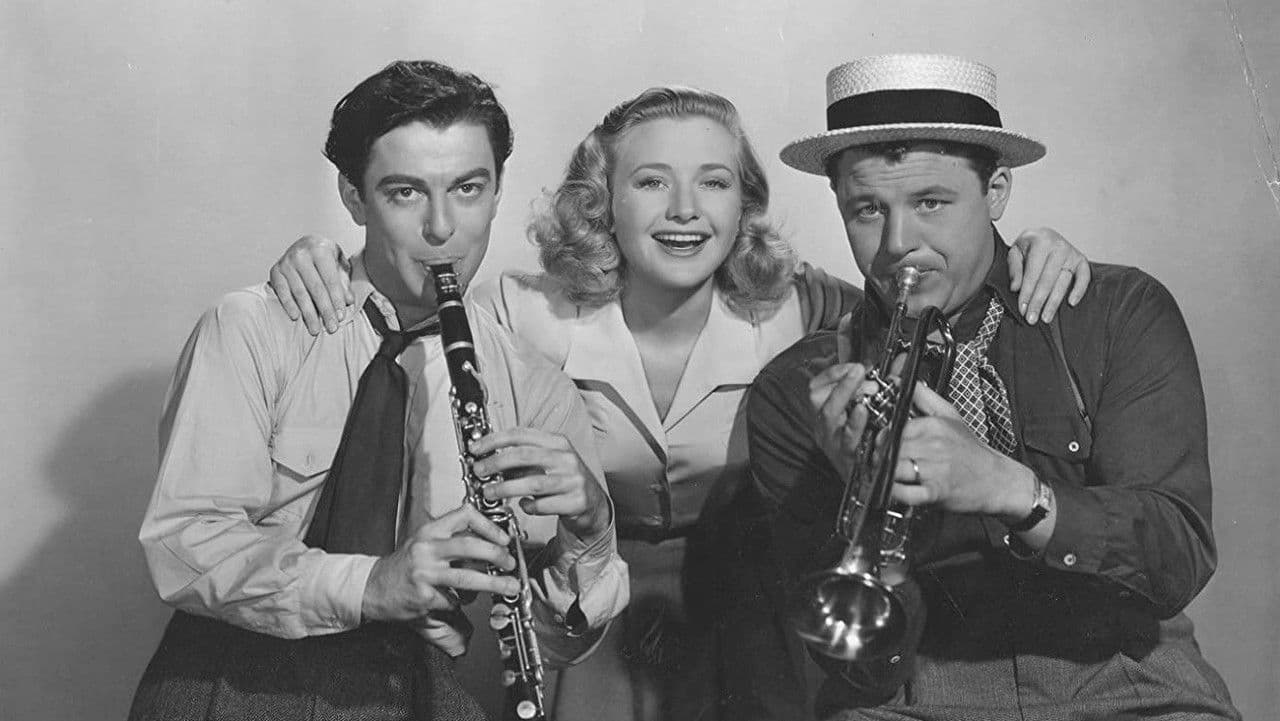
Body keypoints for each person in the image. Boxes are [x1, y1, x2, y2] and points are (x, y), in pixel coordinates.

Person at [266, 86, 1091, 720]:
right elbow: (406, 310)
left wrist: (1027, 252)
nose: (686, 211)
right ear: (602, 201)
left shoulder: (807, 308)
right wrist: (328, 261)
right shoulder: (524, 311)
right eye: (652, 182)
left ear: (743, 203)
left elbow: (930, 289)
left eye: (714, 183)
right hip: (591, 614)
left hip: (759, 614)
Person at [743, 53, 1241, 720]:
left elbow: (1176, 558)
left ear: (997, 190)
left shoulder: (1115, 311)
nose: (899, 244)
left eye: (931, 202)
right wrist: (855, 503)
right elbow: (856, 656)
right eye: (867, 209)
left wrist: (1009, 489)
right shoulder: (795, 391)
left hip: (1129, 681)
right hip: (915, 693)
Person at [128, 60, 628, 721]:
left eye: (468, 188)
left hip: (414, 689)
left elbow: (553, 648)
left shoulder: (536, 388)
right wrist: (373, 584)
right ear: (354, 196)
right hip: (230, 678)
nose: (442, 228)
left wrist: (589, 537)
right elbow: (186, 545)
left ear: (498, 191)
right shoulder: (253, 327)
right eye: (405, 192)